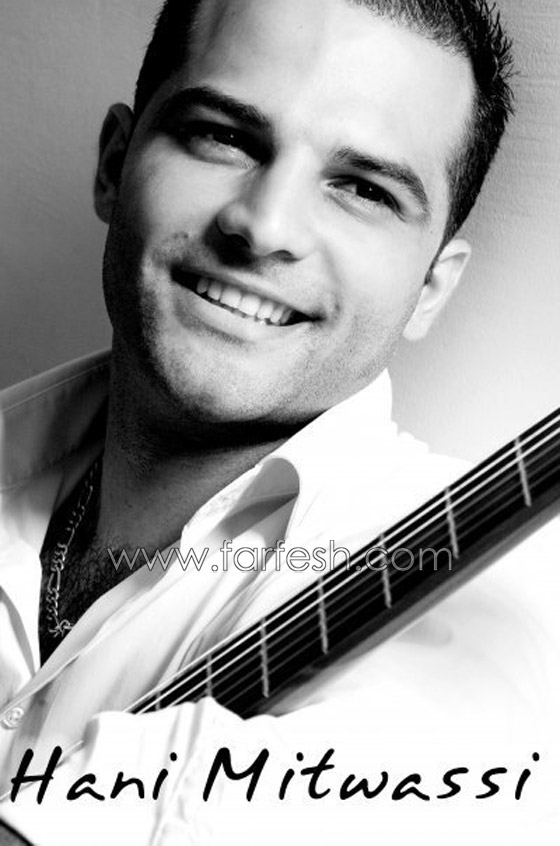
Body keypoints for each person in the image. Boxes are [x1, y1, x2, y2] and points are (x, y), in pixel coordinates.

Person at [1, 0, 559, 843]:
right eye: (223, 136)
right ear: (115, 164)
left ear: (431, 288)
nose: (262, 227)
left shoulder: (484, 610)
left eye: (363, 189)